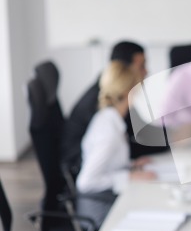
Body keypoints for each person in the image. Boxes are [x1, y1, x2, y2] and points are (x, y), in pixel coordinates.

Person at [61, 41, 165, 178]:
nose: (146, 72)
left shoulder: (111, 100)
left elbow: (131, 136)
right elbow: (89, 177)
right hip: (81, 170)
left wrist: (129, 166)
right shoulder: (102, 108)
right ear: (125, 70)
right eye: (142, 66)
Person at [76, 60, 156, 195]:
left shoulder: (109, 118)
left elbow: (108, 165)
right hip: (101, 206)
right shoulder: (109, 132)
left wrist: (131, 166)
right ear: (127, 92)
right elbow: (85, 182)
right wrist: (128, 176)